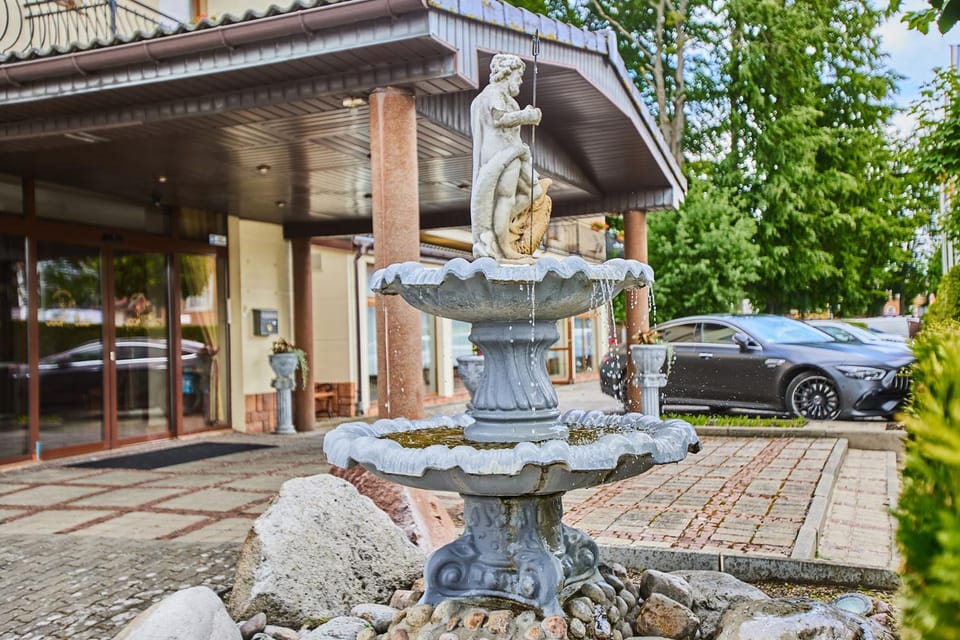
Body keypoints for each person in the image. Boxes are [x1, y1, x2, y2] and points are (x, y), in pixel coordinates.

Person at [470, 54, 551, 261]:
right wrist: (527, 116)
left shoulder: (508, 99)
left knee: (535, 191)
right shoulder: (493, 92)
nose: (520, 81)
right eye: (518, 76)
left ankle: (502, 225)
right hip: (501, 153)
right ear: (507, 74)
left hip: (516, 152)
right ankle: (504, 248)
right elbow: (499, 118)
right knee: (506, 198)